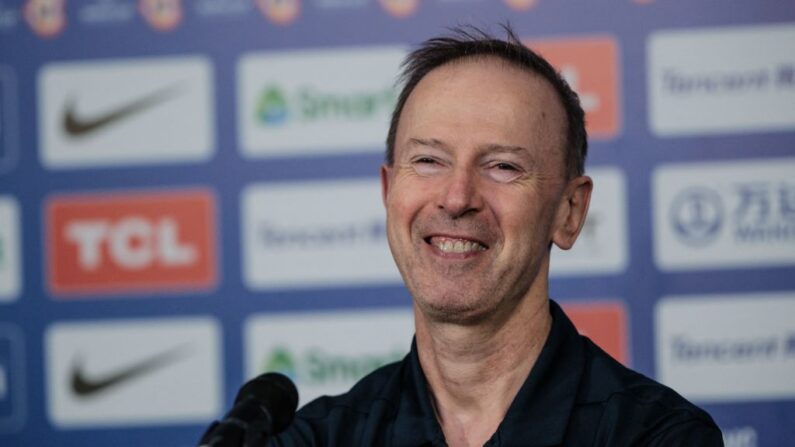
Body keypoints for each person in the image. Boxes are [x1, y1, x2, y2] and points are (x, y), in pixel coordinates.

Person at [272, 25, 723, 446]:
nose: (456, 197)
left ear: (570, 212)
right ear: (390, 192)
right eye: (429, 160)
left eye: (503, 166)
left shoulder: (656, 436)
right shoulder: (319, 437)